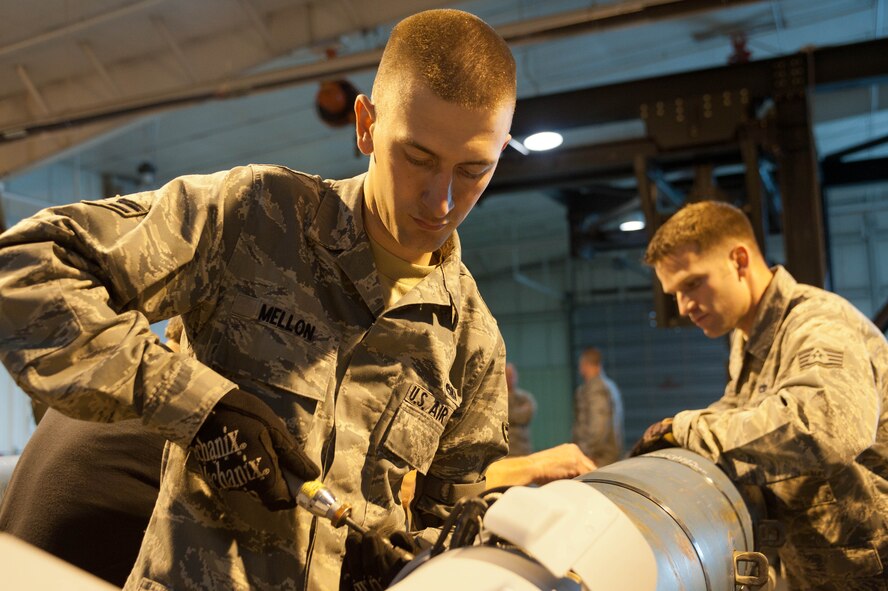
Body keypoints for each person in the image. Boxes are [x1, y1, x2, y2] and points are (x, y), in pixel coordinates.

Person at [0, 9, 516, 590]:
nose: (441, 201)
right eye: (418, 158)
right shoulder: (257, 220)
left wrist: (407, 563)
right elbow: (24, 269)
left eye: (474, 170)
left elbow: (449, 530)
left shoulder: (471, 342)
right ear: (366, 125)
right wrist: (196, 406)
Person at [633, 200, 888, 590]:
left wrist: (687, 429)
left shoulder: (818, 323)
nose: (684, 307)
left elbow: (827, 426)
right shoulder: (747, 338)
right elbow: (741, 414)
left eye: (692, 284)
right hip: (820, 571)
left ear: (739, 261)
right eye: (674, 294)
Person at [572, 347, 624, 466]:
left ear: (584, 365)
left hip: (598, 458)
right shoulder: (609, 386)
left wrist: (587, 452)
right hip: (606, 456)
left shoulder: (595, 388)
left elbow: (598, 425)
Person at [505, 362, 536, 456]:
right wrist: (519, 411)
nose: (510, 378)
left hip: (523, 449)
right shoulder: (498, 399)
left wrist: (509, 414)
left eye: (512, 376)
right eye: (508, 376)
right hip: (506, 451)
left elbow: (527, 415)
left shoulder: (525, 398)